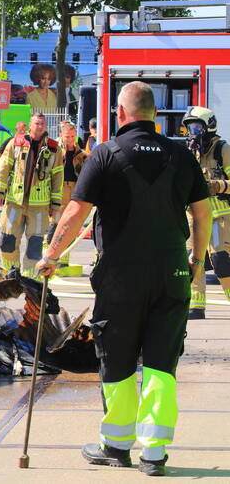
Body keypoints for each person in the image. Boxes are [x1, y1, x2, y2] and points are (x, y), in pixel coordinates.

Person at [37, 82, 210, 476]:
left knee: (116, 360)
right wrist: (196, 261)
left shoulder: (106, 154)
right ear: (153, 114)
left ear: (120, 113)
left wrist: (51, 256)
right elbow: (202, 214)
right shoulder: (180, 155)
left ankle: (115, 445)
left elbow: (77, 211)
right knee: (162, 365)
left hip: (120, 278)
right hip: (172, 274)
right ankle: (154, 454)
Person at [0, 112, 62, 276]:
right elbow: (3, 167)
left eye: (42, 124)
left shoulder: (53, 148)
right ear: (30, 125)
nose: (39, 127)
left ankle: (31, 279)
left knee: (35, 246)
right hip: (14, 202)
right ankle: (11, 274)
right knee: (7, 241)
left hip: (39, 206)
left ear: (46, 126)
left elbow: (58, 176)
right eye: (36, 123)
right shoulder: (15, 143)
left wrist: (56, 204)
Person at [182, 107, 230, 320]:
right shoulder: (191, 152)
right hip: (194, 217)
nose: (193, 131)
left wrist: (217, 185)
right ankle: (196, 306)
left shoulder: (223, 150)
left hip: (219, 217)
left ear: (209, 126)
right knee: (194, 259)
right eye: (190, 127)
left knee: (221, 262)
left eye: (197, 126)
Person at [46, 120, 87, 273]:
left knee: (71, 224)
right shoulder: (55, 151)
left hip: (74, 189)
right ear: (61, 136)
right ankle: (49, 256)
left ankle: (64, 261)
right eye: (67, 136)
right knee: (55, 223)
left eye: (73, 136)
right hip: (60, 189)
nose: (70, 140)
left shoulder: (82, 155)